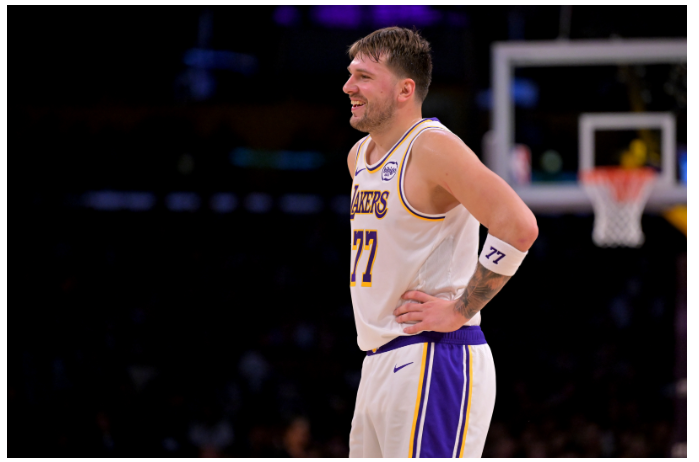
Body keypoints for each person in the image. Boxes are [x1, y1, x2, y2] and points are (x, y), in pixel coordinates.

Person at [343, 27, 538, 458]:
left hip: (433, 355)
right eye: (351, 74)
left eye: (364, 77)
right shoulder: (359, 157)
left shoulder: (431, 147)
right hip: (378, 359)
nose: (348, 86)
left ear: (405, 89)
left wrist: (460, 309)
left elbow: (518, 225)